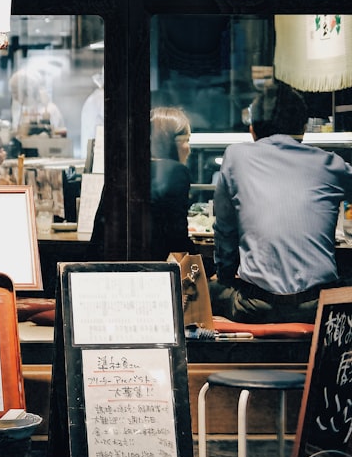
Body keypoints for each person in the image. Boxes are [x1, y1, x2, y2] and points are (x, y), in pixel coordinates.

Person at [210, 79, 352, 323]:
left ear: (253, 129)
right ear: (304, 129)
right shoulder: (331, 164)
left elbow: (225, 231)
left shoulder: (236, 156)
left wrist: (224, 274)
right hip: (318, 307)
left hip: (257, 306)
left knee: (205, 290)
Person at [149, 106, 196, 261]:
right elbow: (178, 237)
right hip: (149, 270)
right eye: (186, 140)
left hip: (104, 268)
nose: (189, 149)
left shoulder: (126, 168)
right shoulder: (175, 172)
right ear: (169, 141)